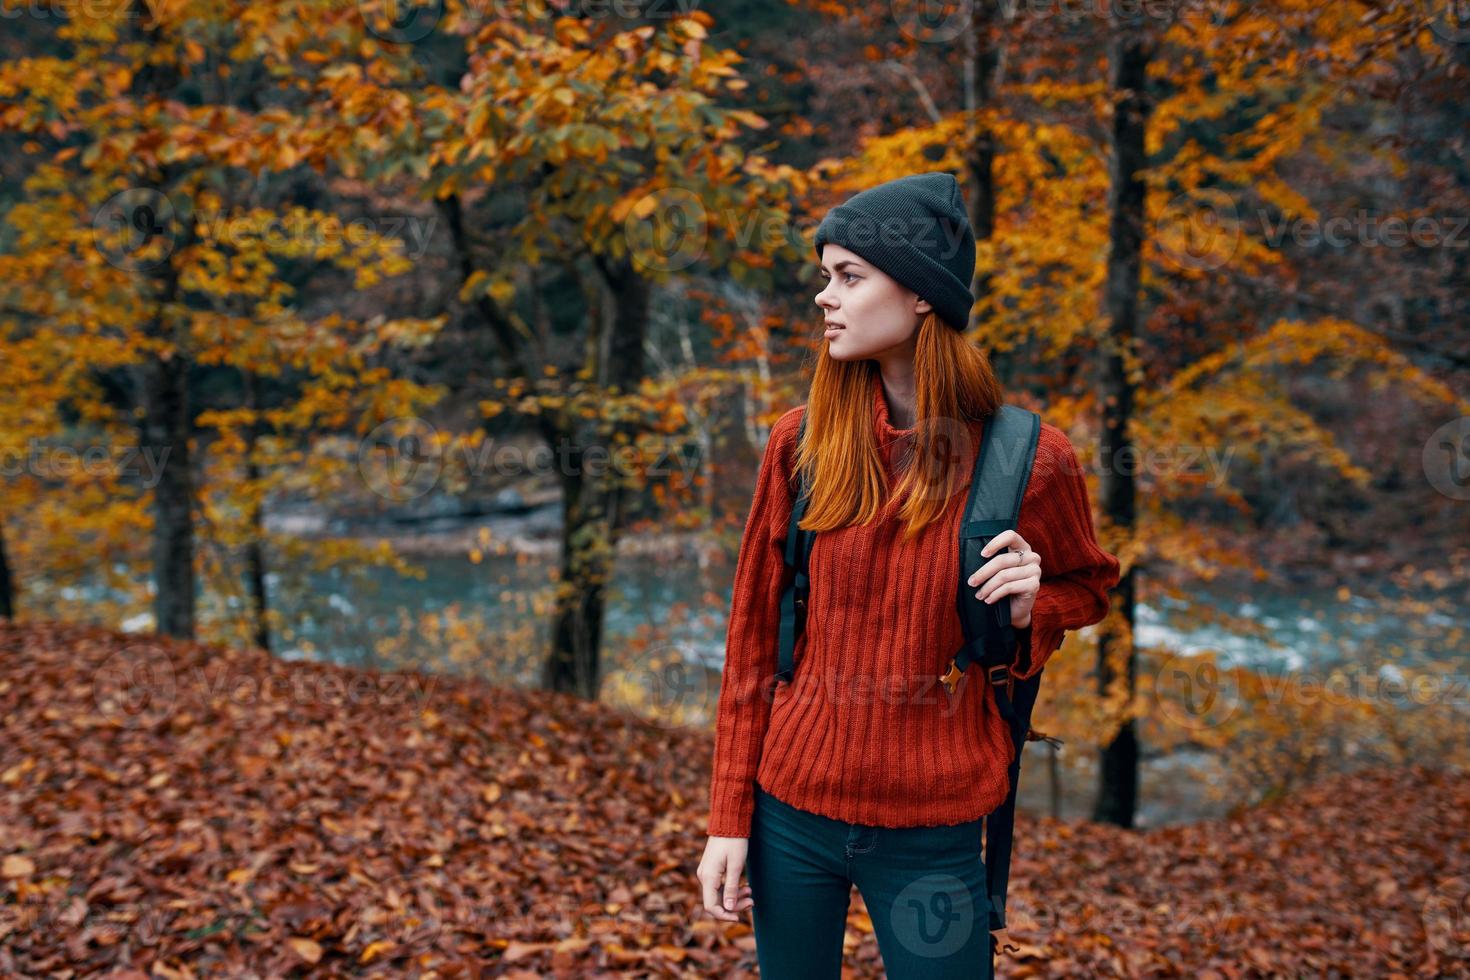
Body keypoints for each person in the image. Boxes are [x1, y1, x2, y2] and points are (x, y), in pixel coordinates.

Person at [695, 171, 1122, 979]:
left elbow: (1091, 587)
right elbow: (751, 643)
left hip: (938, 825)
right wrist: (729, 818)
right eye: (825, 275)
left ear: (924, 296)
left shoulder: (1030, 460)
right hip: (790, 813)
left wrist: (1039, 604)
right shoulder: (801, 445)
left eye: (849, 276)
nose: (825, 296)